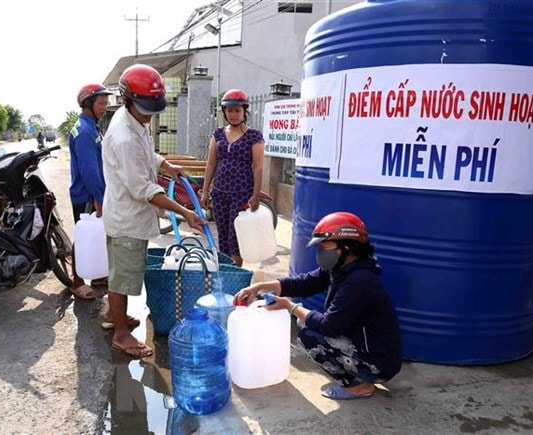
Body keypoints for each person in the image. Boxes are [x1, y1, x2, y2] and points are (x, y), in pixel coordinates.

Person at [234, 211, 402, 400]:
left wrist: (290, 307)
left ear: (347, 246)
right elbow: (306, 282)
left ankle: (359, 386)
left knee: (309, 335)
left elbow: (329, 327)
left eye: (325, 245)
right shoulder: (341, 268)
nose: (321, 250)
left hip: (378, 363)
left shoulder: (360, 280)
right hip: (365, 347)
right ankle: (358, 376)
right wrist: (262, 286)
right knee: (307, 323)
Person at [102, 64, 204, 357]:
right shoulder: (123, 136)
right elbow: (143, 190)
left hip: (128, 214)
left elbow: (146, 152)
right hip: (127, 218)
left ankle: (113, 316)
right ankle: (121, 334)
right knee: (121, 279)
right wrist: (184, 212)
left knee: (121, 273)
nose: (149, 114)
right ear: (126, 98)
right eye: (144, 108)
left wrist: (165, 165)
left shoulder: (134, 121)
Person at [200, 89, 265, 267]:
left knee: (236, 236)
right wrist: (205, 191)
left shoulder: (254, 135)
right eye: (229, 110)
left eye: (237, 110)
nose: (233, 114)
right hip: (220, 193)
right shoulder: (218, 134)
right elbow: (211, 163)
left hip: (242, 193)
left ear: (245, 111)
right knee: (223, 235)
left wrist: (256, 194)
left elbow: (258, 166)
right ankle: (226, 273)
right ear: (224, 112)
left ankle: (236, 275)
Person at [67, 84, 112, 301]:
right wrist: (99, 198)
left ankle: (98, 275)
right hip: (86, 194)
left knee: (96, 236)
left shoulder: (90, 127)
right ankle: (76, 281)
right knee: (83, 237)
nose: (105, 107)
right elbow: (89, 170)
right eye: (101, 103)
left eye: (106, 103)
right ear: (88, 103)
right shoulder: (84, 131)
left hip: (92, 193)